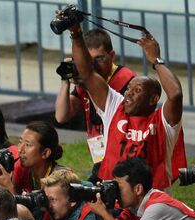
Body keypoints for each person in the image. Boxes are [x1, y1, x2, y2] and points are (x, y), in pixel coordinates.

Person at [66, 20, 186, 191]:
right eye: (129, 88)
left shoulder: (164, 121)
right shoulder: (115, 107)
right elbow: (87, 73)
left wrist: (156, 60)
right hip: (113, 199)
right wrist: (76, 33)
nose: (128, 93)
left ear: (153, 99)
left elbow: (175, 94)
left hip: (151, 203)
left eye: (137, 90)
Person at [55, 28, 136, 182]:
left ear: (112, 56)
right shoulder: (83, 83)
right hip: (101, 160)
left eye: (99, 59)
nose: (92, 66)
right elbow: (61, 115)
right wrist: (65, 80)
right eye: (87, 60)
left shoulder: (128, 82)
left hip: (124, 162)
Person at [89, 157, 195, 220]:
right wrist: (106, 208)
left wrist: (105, 214)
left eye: (119, 187)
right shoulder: (134, 207)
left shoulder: (157, 206)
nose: (115, 191)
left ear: (138, 189)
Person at [40, 170, 104, 220]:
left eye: (52, 200)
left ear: (72, 199)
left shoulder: (89, 217)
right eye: (46, 199)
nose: (48, 205)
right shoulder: (53, 210)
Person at [9, 121, 68, 194]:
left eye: (28, 145)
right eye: (20, 142)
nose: (20, 149)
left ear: (45, 153)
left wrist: (9, 187)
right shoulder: (21, 170)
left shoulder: (62, 180)